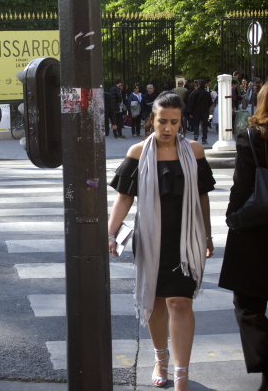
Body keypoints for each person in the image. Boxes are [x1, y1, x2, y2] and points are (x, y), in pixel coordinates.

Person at [108, 91, 215, 390]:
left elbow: (203, 196)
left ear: (182, 122)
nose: (168, 128)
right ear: (152, 120)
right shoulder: (138, 152)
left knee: (180, 302)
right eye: (162, 121)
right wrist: (110, 233)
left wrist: (207, 233)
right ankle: (160, 358)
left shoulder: (194, 151)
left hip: (186, 237)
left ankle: (181, 372)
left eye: (174, 122)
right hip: (151, 238)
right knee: (155, 304)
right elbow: (124, 197)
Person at [219, 83, 268, 391]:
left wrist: (233, 219)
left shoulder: (251, 137)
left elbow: (242, 186)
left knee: (248, 305)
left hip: (255, 228)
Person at [186, 79, 213, 144]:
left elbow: (192, 103)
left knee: (196, 124)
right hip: (205, 111)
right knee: (205, 125)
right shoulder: (207, 93)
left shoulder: (195, 93)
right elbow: (210, 102)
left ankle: (196, 135)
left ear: (199, 85)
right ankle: (204, 138)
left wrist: (191, 112)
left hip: (196, 111)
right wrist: (207, 107)